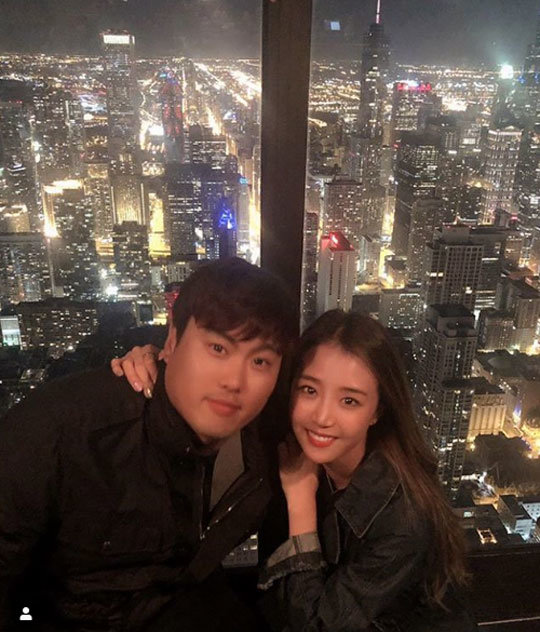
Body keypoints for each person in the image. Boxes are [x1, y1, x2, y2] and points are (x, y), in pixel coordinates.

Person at [119, 310, 477, 631]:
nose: (322, 417)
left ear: (377, 412)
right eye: (309, 390)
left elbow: (317, 625)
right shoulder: (294, 442)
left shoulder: (404, 518)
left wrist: (300, 501)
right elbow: (225, 392)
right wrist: (158, 363)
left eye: (349, 400)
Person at [0, 258, 297, 631]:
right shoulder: (63, 434)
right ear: (172, 339)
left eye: (260, 361)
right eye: (218, 348)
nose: (234, 381)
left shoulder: (265, 447)